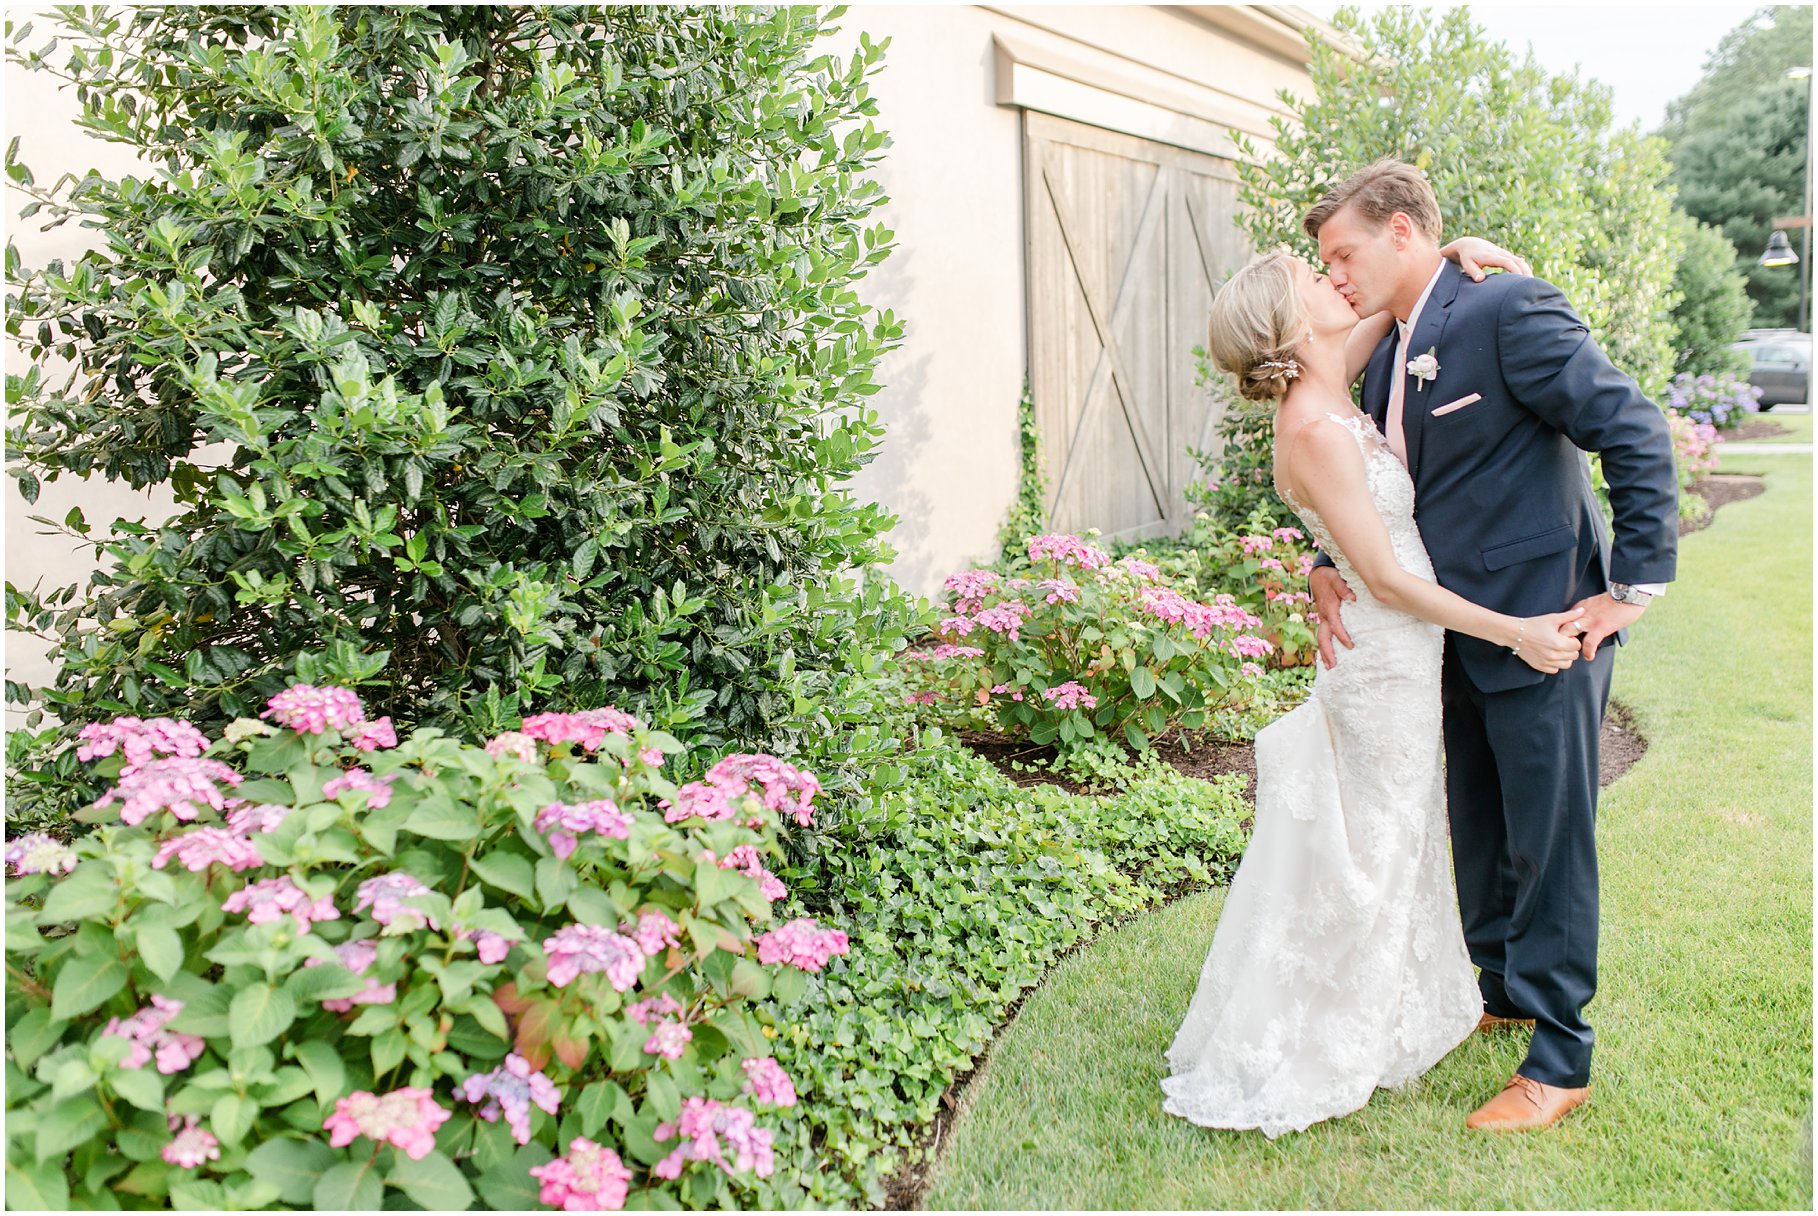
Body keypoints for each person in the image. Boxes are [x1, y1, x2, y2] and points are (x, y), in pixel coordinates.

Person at [1161, 239, 1586, 1138]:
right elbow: (1388, 581)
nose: (1333, 281)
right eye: (1316, 279)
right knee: (1376, 845)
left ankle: (1407, 996)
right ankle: (1329, 1024)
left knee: (1397, 835)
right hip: (1383, 658)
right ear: (1288, 321)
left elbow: (1400, 304)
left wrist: (1457, 249)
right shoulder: (1313, 428)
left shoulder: (1326, 376)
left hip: (1398, 652)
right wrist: (1517, 632)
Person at [1304, 160, 1678, 1131]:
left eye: (1342, 253)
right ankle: (1504, 989)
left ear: (1399, 232)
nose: (1334, 274)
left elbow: (1632, 428)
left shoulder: (1505, 309)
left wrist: (1631, 588)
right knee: (1481, 825)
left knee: (1550, 845)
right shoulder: (1384, 351)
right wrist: (1323, 559)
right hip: (1448, 639)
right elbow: (1360, 470)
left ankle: (1561, 1058)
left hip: (1543, 625)